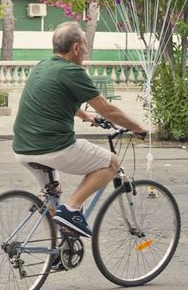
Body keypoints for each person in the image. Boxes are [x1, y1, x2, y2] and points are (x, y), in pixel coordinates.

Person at [13, 22, 147, 238]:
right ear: (76, 47)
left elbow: (55, 99)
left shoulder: (42, 66)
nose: (86, 51)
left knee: (51, 196)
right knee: (111, 162)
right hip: (53, 146)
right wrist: (140, 128)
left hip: (22, 148)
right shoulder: (72, 71)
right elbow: (109, 109)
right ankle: (73, 209)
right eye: (85, 46)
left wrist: (85, 116)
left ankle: (54, 251)